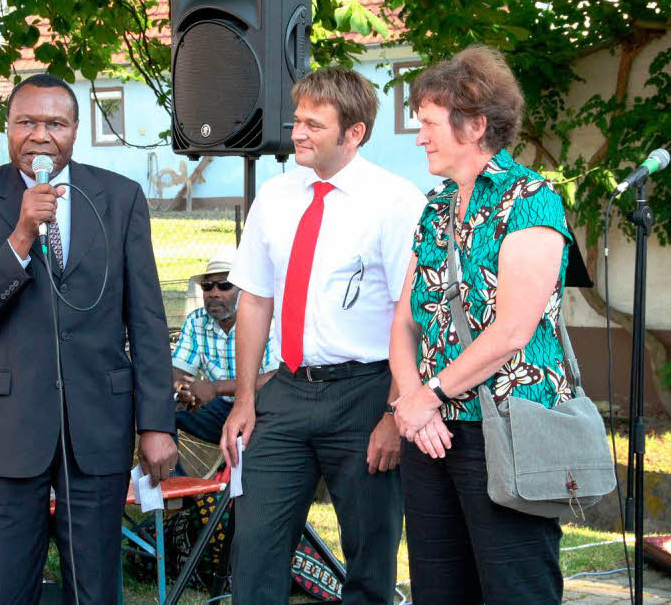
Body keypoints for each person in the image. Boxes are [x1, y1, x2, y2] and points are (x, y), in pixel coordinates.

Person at [0, 73, 177, 605]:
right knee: (3, 586)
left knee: (94, 587)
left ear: (75, 131)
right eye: (26, 122)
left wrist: (156, 422)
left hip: (99, 425)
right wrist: (20, 237)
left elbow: (146, 319)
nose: (40, 135)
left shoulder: (120, 198)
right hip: (11, 428)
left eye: (54, 123)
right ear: (7, 129)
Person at [220, 67, 426, 604]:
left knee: (369, 554)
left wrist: (392, 413)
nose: (298, 133)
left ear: (353, 133)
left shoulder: (395, 200)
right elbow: (256, 300)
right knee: (255, 546)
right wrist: (245, 399)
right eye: (297, 121)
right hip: (286, 391)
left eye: (314, 124)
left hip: (366, 391)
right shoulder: (277, 195)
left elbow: (414, 312)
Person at [389, 45, 572, 604]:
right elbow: (404, 321)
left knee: (516, 591)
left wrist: (429, 394)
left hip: (510, 429)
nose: (418, 136)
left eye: (427, 123)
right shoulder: (435, 204)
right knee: (438, 592)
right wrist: (413, 404)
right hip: (432, 434)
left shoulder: (533, 201)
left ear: (475, 125)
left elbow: (513, 330)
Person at [171, 249, 277, 445]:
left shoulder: (267, 321)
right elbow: (177, 371)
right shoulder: (196, 321)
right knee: (161, 409)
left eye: (224, 286)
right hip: (219, 410)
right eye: (207, 286)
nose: (214, 293)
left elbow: (274, 379)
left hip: (262, 412)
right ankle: (174, 477)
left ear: (244, 290)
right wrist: (183, 390)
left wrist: (215, 388)